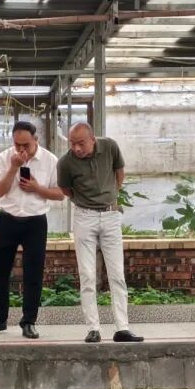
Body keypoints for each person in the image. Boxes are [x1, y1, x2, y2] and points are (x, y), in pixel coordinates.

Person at [56, 123, 142, 344]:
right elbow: (66, 189)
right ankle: (93, 328)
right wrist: (85, 201)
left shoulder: (110, 147)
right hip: (84, 216)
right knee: (87, 275)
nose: (76, 148)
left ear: (92, 139)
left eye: (81, 143)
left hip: (111, 215)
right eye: (72, 143)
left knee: (117, 274)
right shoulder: (65, 162)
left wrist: (110, 195)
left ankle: (122, 327)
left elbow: (119, 173)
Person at [0, 121, 64, 339]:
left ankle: (29, 321)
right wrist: (13, 167)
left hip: (35, 221)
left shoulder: (50, 160)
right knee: (0, 270)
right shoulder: (5, 157)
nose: (21, 149)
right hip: (8, 218)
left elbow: (60, 194)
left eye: (26, 144)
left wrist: (37, 188)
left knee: (33, 272)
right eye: (17, 144)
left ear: (36, 140)